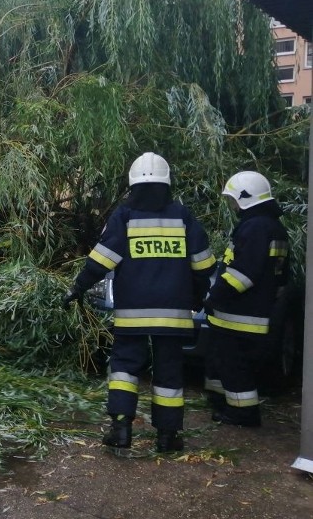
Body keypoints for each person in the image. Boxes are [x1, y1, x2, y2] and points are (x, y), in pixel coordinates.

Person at [62, 152, 215, 453]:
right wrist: (197, 299)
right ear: (167, 183)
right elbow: (204, 267)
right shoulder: (183, 217)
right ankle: (168, 436)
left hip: (132, 314)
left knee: (124, 369)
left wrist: (77, 288)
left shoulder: (124, 216)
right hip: (173, 316)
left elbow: (101, 261)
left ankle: (120, 429)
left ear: (132, 184)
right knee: (170, 373)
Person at [203, 171, 289, 428]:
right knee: (223, 361)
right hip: (253, 311)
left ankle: (244, 414)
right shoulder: (273, 227)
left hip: (239, 314)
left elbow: (244, 274)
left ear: (245, 198)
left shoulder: (256, 227)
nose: (232, 205)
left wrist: (214, 297)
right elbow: (282, 277)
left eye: (233, 200)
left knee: (234, 366)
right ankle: (223, 404)